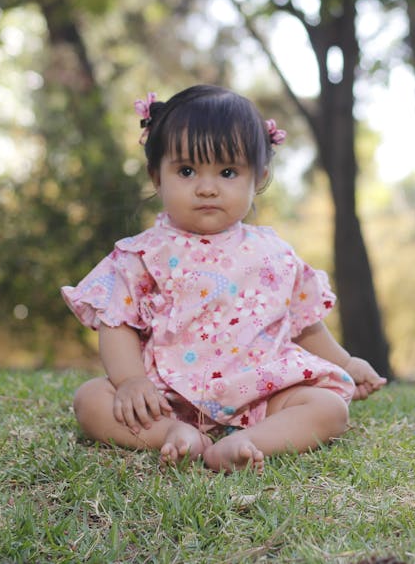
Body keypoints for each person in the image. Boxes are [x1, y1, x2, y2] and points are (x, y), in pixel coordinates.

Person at [62, 85, 387, 473]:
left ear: (259, 176)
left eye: (228, 172)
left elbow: (305, 326)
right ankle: (173, 434)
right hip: (168, 396)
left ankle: (247, 442)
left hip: (263, 392)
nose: (207, 187)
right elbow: (117, 323)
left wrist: (346, 362)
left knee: (329, 409)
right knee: (92, 400)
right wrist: (131, 381)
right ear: (156, 175)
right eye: (186, 171)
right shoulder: (143, 254)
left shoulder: (274, 254)